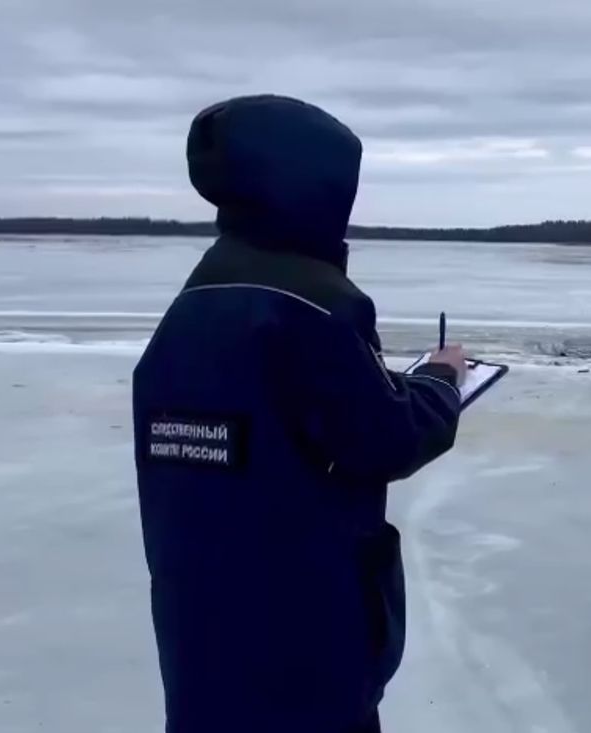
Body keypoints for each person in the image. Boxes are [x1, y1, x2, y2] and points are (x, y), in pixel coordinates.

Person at [132, 95, 466, 733]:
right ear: (320, 186)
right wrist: (442, 380)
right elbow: (385, 438)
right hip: (304, 639)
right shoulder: (313, 304)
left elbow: (271, 411)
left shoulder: (194, 303)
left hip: (201, 632)